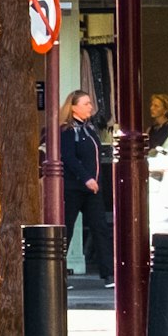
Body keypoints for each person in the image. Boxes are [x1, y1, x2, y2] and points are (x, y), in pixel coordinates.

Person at [55, 89, 110, 285]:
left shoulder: (89, 129)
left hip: (92, 190)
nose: (91, 107)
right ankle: (58, 275)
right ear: (74, 107)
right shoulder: (68, 130)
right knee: (67, 229)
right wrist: (86, 178)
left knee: (100, 228)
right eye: (86, 103)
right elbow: (69, 158)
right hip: (73, 189)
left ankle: (109, 274)